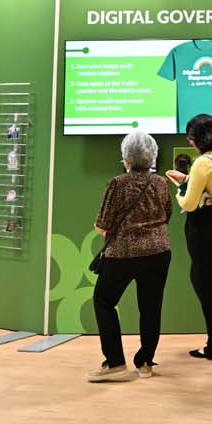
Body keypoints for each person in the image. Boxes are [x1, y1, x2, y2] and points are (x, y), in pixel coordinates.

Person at [89, 131, 173, 383]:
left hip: (122, 254)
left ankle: (115, 363)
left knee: (103, 301)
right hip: (158, 252)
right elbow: (167, 214)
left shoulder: (117, 184)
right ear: (152, 156)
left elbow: (103, 223)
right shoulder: (160, 183)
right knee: (151, 306)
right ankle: (145, 362)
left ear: (126, 158)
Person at [166, 114, 212, 361]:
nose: (190, 144)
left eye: (190, 139)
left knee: (206, 285)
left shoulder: (201, 163)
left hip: (204, 230)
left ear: (197, 139)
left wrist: (179, 188)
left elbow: (188, 204)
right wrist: (187, 180)